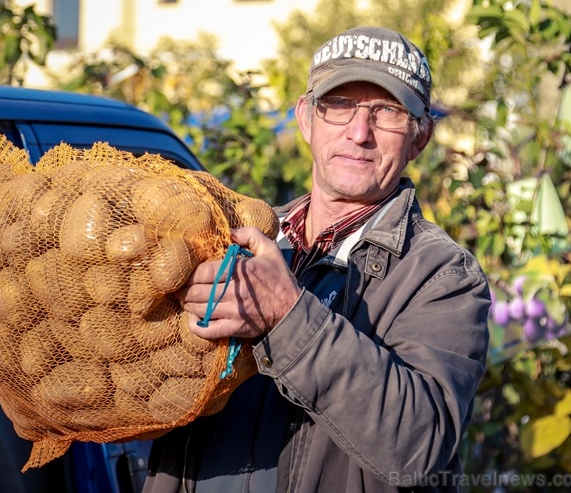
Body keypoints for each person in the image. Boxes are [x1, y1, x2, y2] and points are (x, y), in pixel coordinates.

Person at [142, 26, 490, 493]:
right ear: (306, 118)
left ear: (419, 137)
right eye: (340, 104)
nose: (359, 132)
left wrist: (287, 316)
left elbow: (418, 444)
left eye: (386, 111)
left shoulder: (442, 275)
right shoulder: (239, 239)